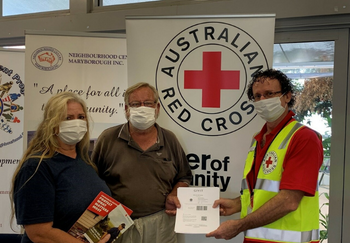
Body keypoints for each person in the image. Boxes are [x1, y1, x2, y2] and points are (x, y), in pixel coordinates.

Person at [206, 69, 323, 243]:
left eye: (269, 94)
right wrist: (237, 204)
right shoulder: (258, 139)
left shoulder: (303, 138)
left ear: (287, 96)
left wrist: (239, 225)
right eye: (257, 96)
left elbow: (289, 200)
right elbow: (261, 193)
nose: (262, 100)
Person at [92, 82, 193, 243]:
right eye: (135, 104)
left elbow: (184, 177)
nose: (142, 107)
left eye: (147, 103)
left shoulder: (170, 139)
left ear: (157, 107)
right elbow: (92, 181)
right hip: (116, 222)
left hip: (160, 224)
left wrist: (175, 193)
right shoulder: (108, 138)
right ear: (126, 109)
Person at [10, 92, 111, 243]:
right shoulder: (36, 167)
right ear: (52, 124)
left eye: (81, 117)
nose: (76, 123)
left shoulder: (84, 161)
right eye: (68, 118)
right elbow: (40, 234)